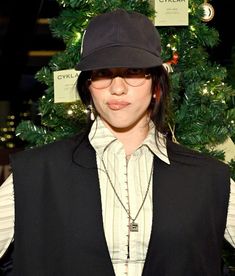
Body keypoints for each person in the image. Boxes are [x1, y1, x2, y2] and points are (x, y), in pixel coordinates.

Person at [0, 8, 234, 276]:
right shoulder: (34, 174)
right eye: (102, 72)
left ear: (156, 84)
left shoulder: (208, 178)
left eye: (133, 71)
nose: (118, 87)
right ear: (88, 86)